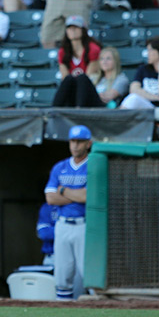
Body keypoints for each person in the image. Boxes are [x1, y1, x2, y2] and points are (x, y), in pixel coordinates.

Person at [43, 124, 91, 301]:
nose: (76, 145)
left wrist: (63, 191)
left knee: (88, 274)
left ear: (88, 143)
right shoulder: (60, 167)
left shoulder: (92, 164)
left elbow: (87, 196)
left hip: (84, 224)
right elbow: (50, 198)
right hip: (62, 224)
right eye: (73, 141)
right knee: (62, 274)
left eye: (80, 141)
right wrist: (75, 195)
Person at [51, 15, 103, 107]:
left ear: (83, 30)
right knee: (68, 79)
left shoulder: (93, 49)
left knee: (82, 78)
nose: (73, 30)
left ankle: (79, 110)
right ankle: (52, 112)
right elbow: (65, 78)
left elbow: (89, 77)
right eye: (70, 28)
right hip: (73, 92)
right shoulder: (63, 52)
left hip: (90, 92)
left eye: (76, 27)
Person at [120, 36, 159, 109]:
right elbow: (133, 89)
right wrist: (156, 97)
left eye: (150, 50)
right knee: (133, 98)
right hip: (143, 106)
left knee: (133, 99)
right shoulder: (143, 69)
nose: (148, 54)